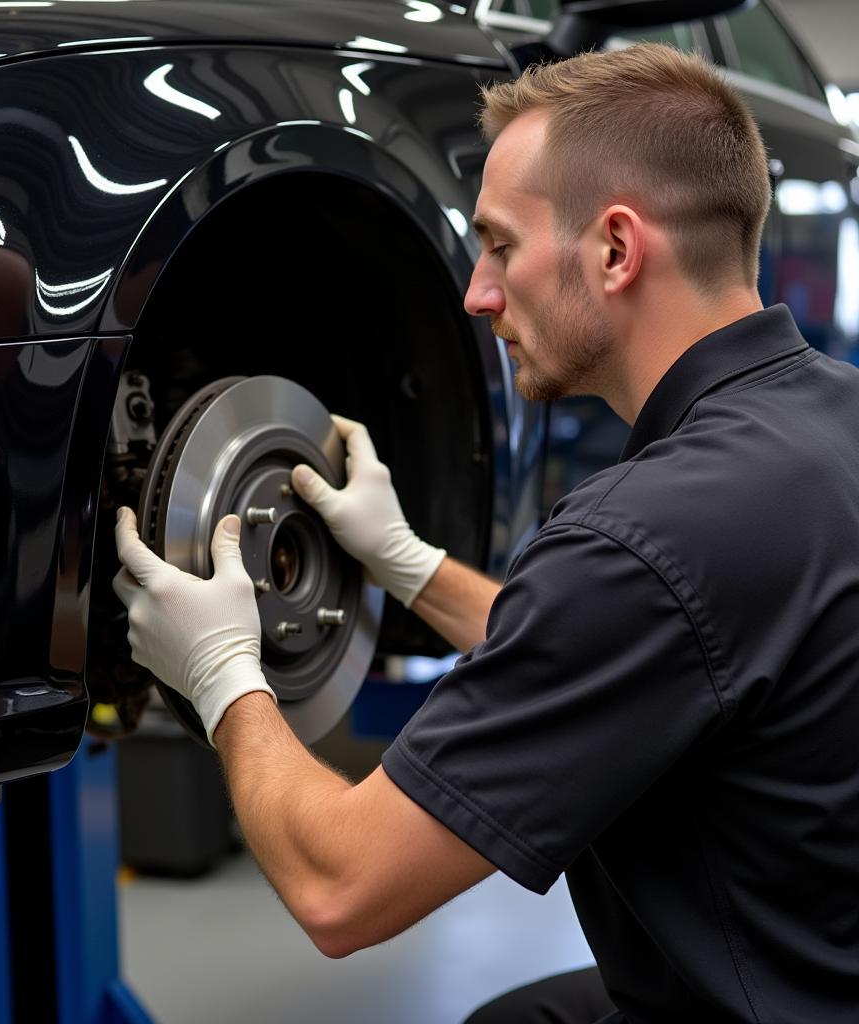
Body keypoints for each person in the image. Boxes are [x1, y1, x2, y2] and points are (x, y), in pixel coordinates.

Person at [112, 43, 859, 1023]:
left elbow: (340, 886)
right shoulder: (827, 418)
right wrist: (412, 567)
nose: (475, 292)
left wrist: (220, 674)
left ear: (615, 249)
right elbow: (641, 640)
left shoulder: (638, 535)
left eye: (501, 245)